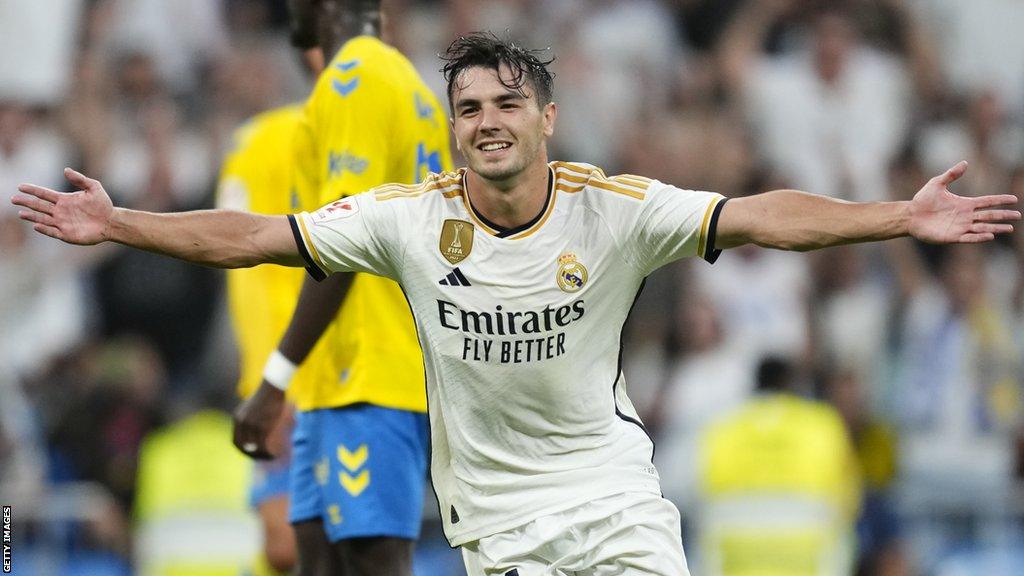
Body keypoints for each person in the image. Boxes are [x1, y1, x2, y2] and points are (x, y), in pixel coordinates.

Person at [12, 32, 1020, 575]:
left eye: (504, 105)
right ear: (451, 128)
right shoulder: (408, 219)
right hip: (499, 535)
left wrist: (897, 216)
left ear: (548, 116)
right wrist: (122, 222)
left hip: (618, 512)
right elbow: (256, 236)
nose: (486, 123)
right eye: (468, 110)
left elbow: (762, 216)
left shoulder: (614, 211)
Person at [227, 1, 452, 575]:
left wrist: (273, 378)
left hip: (367, 377)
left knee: (372, 566)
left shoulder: (358, 80)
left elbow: (341, 245)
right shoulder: (403, 83)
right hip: (337, 381)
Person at [216, 103, 303, 575]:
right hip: (281, 378)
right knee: (283, 545)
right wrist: (270, 380)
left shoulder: (260, 140)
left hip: (322, 378)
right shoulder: (263, 141)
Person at [695, 357, 862, 576]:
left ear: (755, 384)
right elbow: (850, 503)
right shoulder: (823, 425)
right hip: (808, 560)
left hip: (736, 561)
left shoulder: (722, 427)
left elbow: (700, 499)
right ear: (791, 384)